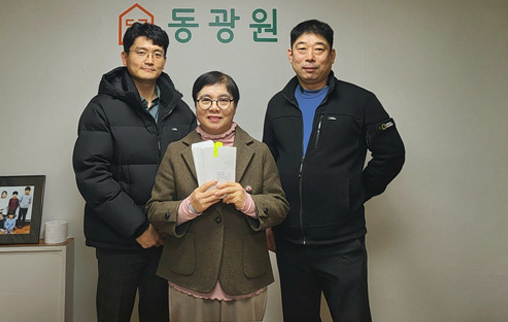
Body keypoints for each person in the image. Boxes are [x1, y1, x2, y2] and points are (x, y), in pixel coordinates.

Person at [263, 20, 406, 322]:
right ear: (290, 55)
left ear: (332, 55)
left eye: (319, 49)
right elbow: (269, 164)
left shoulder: (360, 101)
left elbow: (391, 153)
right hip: (290, 242)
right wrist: (270, 220)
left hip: (341, 243)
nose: (310, 57)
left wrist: (355, 191)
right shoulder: (277, 105)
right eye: (302, 49)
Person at [73, 22, 196, 322]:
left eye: (157, 53)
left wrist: (168, 223)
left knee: (159, 315)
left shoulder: (181, 111)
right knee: (114, 314)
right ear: (125, 56)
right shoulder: (101, 108)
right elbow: (92, 174)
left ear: (164, 60)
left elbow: (192, 172)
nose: (149, 60)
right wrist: (138, 228)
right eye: (141, 52)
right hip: (118, 239)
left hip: (166, 239)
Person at [147, 71, 289, 322]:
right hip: (188, 275)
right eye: (205, 100)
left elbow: (280, 206)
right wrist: (189, 206)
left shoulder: (259, 152)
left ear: (235, 105)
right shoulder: (176, 152)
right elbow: (155, 209)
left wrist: (248, 203)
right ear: (195, 104)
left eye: (223, 100)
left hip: (245, 276)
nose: (214, 107)